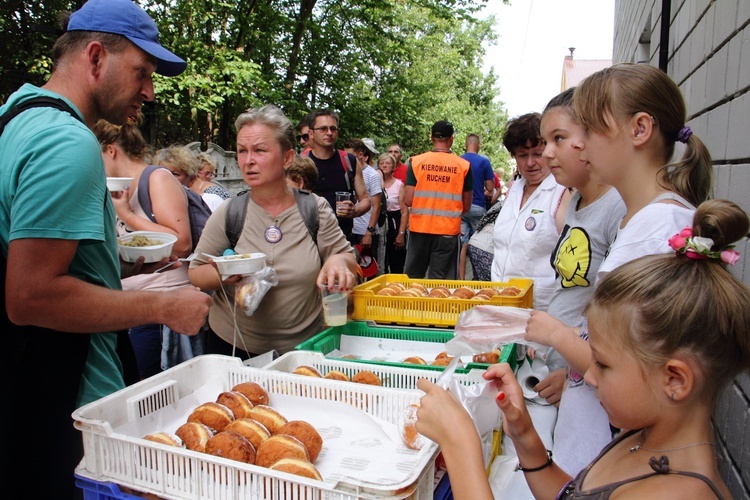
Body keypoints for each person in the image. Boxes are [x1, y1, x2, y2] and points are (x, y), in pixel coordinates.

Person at [0, 0, 211, 497]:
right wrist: (164, 304)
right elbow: (30, 294)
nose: (150, 91)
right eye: (142, 71)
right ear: (95, 57)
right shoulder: (67, 143)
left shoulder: (16, 117)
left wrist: (115, 258)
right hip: (72, 404)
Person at [416, 199, 748, 500]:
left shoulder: (677, 494)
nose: (587, 376)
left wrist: (460, 445)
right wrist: (526, 437)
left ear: (675, 380)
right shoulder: (639, 436)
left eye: (602, 364)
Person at [525, 64, 714, 475]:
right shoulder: (642, 220)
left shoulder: (654, 229)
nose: (580, 144)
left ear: (640, 129)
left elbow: (637, 366)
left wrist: (554, 332)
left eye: (589, 129)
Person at [188, 105, 359, 359]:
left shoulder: (314, 208)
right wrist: (224, 273)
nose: (248, 161)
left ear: (288, 158)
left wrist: (336, 260)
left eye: (259, 150)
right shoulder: (229, 212)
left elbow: (345, 256)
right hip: (233, 346)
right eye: (242, 151)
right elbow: (196, 273)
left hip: (302, 349)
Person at [94, 118, 205, 380]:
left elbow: (181, 243)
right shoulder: (109, 187)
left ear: (110, 150)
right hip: (125, 306)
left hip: (161, 307)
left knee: (149, 390)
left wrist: (126, 214)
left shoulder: (157, 178)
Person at [490, 112, 572, 311]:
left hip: (542, 312)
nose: (530, 163)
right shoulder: (515, 189)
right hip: (502, 303)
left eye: (537, 154)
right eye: (522, 155)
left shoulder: (562, 192)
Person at [403, 120, 472, 279]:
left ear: (431, 137)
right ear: (452, 139)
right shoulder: (463, 166)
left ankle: (412, 303)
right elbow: (466, 205)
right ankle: (437, 305)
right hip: (447, 231)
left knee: (413, 278)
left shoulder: (417, 162)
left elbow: (408, 200)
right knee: (440, 281)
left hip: (419, 229)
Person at [304, 109, 370, 239]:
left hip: (342, 237)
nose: (329, 133)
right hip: (309, 238)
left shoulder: (349, 161)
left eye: (333, 129)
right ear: (311, 133)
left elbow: (365, 200)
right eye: (323, 129)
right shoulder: (301, 163)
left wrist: (355, 211)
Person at [458, 133, 495, 279]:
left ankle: (460, 278)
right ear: (478, 145)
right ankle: (477, 277)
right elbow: (491, 188)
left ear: (465, 145)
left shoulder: (458, 161)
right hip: (478, 206)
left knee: (463, 245)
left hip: (460, 208)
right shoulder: (483, 162)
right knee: (479, 245)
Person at [346, 138, 383, 273]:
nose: (347, 159)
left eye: (350, 155)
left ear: (360, 154)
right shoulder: (348, 173)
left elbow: (377, 206)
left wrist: (369, 232)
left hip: (366, 231)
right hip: (350, 230)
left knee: (369, 270)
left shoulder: (372, 175)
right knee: (352, 271)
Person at [153, 145, 226, 212]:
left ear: (190, 179)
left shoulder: (211, 200)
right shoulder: (149, 203)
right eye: (162, 172)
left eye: (174, 174)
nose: (166, 177)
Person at [379, 153, 409, 273]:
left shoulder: (399, 185)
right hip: (380, 222)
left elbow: (404, 211)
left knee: (396, 260)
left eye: (387, 163)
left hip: (394, 222)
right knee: (382, 260)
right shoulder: (375, 183)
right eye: (382, 163)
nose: (384, 165)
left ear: (393, 167)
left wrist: (401, 233)